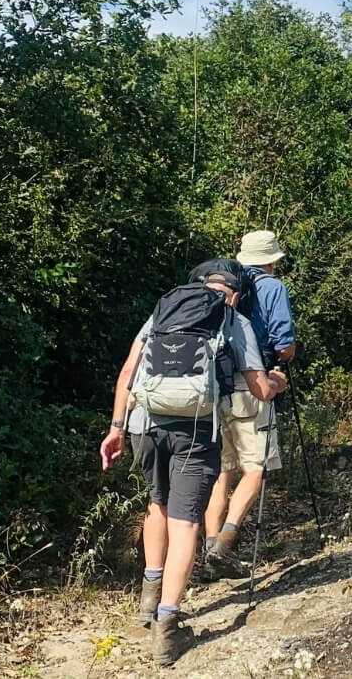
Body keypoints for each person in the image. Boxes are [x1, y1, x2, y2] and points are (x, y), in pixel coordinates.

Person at [98, 264, 285, 666]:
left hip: (142, 426)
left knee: (156, 505)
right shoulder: (232, 319)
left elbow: (129, 372)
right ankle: (167, 629)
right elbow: (259, 390)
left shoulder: (163, 310)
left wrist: (115, 428)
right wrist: (277, 381)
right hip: (194, 430)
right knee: (186, 523)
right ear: (234, 292)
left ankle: (149, 597)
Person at [202, 230, 297, 574]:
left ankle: (210, 546)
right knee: (254, 468)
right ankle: (226, 541)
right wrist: (283, 365)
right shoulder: (273, 287)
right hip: (253, 382)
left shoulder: (222, 285)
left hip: (213, 385)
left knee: (222, 470)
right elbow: (284, 346)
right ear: (272, 261)